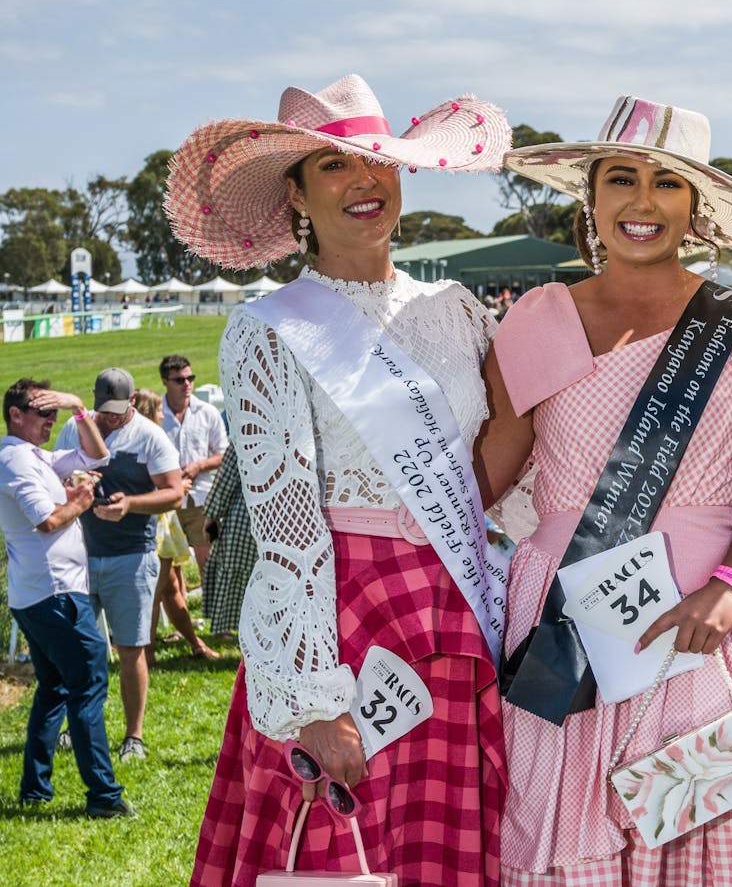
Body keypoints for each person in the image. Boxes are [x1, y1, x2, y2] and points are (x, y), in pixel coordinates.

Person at [167, 74, 512, 885]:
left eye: (378, 161)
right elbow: (285, 530)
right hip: (340, 620)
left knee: (444, 836)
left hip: (450, 609)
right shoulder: (269, 328)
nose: (364, 180)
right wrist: (314, 701)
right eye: (332, 165)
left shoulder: (458, 309)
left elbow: (500, 467)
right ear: (295, 194)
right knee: (339, 849)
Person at [478, 95, 732, 884]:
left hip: (695, 634)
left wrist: (730, 587)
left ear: (695, 207)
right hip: (565, 637)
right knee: (565, 851)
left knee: (697, 855)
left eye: (666, 183)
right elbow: (486, 474)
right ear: (590, 196)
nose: (642, 201)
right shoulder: (536, 317)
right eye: (621, 179)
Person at [0, 379, 134, 818]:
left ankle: (35, 789)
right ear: (15, 414)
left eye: (54, 414)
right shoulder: (15, 460)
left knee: (55, 688)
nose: (50, 421)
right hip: (55, 595)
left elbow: (98, 456)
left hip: (40, 593)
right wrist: (79, 500)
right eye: (43, 413)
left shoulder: (34, 455)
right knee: (88, 685)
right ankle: (103, 797)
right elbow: (46, 520)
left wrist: (79, 409)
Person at [55, 368, 185, 762]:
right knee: (77, 650)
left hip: (131, 556)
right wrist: (72, 488)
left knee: (130, 650)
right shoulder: (75, 429)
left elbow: (175, 494)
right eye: (103, 410)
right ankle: (77, 727)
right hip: (77, 555)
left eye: (117, 410)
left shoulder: (149, 436)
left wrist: (130, 504)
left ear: (132, 401)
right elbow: (54, 478)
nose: (109, 417)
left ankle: (134, 736)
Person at [132, 387, 215, 663]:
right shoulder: (149, 441)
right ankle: (146, 654)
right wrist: (179, 486)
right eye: (157, 410)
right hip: (157, 523)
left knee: (170, 590)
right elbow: (151, 483)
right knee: (156, 592)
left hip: (164, 522)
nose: (162, 415)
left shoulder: (142, 439)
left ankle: (196, 644)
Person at [158, 354, 227, 580]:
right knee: (168, 573)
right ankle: (181, 604)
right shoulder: (156, 415)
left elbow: (224, 454)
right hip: (166, 502)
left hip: (200, 500)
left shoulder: (208, 412)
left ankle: (210, 604)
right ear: (165, 382)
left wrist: (200, 465)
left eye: (190, 378)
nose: (187, 384)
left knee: (208, 566)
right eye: (179, 380)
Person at [202, 437, 256, 638]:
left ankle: (239, 630)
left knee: (240, 573)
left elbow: (226, 478)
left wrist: (212, 514)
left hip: (246, 513)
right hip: (287, 515)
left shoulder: (246, 432)